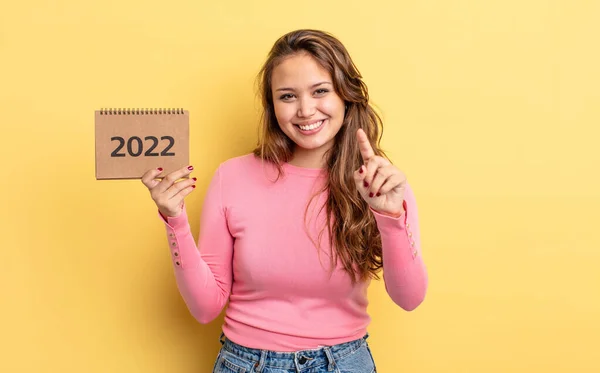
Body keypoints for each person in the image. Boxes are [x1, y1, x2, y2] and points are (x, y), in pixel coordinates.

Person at [141, 29, 428, 373]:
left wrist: (390, 215)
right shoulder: (232, 177)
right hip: (246, 364)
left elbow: (409, 298)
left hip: (345, 362)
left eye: (320, 91)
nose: (305, 110)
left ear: (346, 97)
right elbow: (205, 307)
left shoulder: (381, 184)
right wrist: (174, 219)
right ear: (272, 105)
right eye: (287, 96)